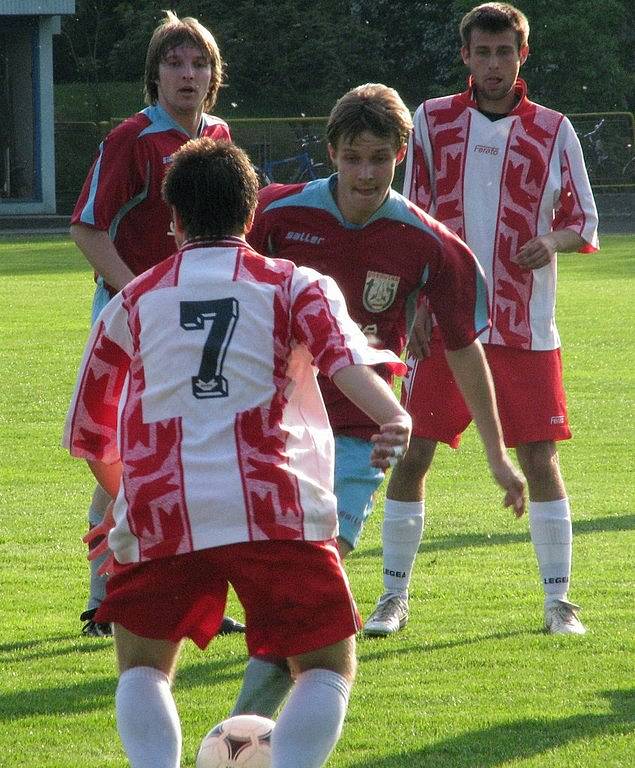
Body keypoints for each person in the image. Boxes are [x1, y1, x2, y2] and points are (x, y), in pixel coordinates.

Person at [62, 137, 412, 768]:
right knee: (327, 668)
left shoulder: (132, 301)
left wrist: (125, 498)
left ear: (172, 221)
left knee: (143, 668)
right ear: (252, 216)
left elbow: (90, 428)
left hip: (167, 509)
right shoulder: (295, 285)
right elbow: (344, 362)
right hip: (272, 506)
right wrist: (393, 415)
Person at [230, 82, 525, 717]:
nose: (366, 173)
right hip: (272, 428)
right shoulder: (276, 217)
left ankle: (241, 732)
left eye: (381, 158)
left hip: (362, 432)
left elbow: (464, 349)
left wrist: (497, 455)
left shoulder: (428, 243)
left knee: (314, 578)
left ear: (401, 157)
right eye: (353, 157)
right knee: (287, 583)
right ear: (331, 152)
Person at [366, 2, 599, 637]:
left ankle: (558, 601)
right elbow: (408, 217)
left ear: (522, 56)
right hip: (446, 325)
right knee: (414, 453)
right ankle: (393, 597)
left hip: (526, 327)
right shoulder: (432, 121)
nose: (494, 64)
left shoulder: (554, 129)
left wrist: (550, 242)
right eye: (483, 52)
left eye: (505, 52)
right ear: (465, 56)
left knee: (541, 457)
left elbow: (585, 223)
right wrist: (413, 305)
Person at [69, 10, 242, 636]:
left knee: (190, 456)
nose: (187, 73)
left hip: (202, 322)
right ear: (155, 74)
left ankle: (194, 601)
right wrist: (140, 293)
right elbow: (87, 227)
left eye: (199, 63)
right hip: (135, 323)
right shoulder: (132, 139)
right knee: (124, 455)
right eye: (174, 62)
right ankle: (103, 601)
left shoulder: (218, 136)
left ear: (215, 75)